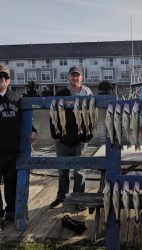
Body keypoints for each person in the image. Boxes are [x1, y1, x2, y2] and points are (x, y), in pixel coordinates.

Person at [49, 66, 93, 209]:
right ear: (68, 77)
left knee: (79, 171)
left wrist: (89, 134)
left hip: (81, 139)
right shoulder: (61, 94)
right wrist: (54, 134)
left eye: (77, 75)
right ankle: (61, 197)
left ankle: (79, 199)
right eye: (72, 75)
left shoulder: (88, 95)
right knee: (63, 171)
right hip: (62, 139)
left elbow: (92, 116)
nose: (75, 78)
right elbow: (53, 115)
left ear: (82, 78)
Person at [0, 64, 37, 223]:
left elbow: (26, 120)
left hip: (12, 150)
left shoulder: (17, 98)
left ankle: (11, 211)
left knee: (11, 182)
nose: (2, 80)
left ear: (9, 80)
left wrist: (33, 130)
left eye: (5, 77)